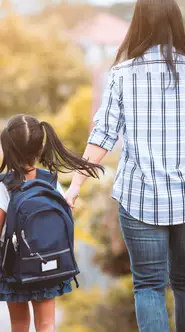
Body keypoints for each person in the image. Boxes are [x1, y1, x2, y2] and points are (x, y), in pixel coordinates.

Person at [65, 0, 185, 332]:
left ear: (137, 26)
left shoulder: (121, 75)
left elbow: (103, 135)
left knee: (149, 286)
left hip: (139, 198)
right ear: (175, 25)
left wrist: (75, 184)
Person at [0, 114, 102, 332]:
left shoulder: (4, 186)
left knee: (19, 324)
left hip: (15, 267)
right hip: (48, 263)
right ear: (40, 149)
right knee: (47, 324)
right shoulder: (51, 181)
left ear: (7, 147)